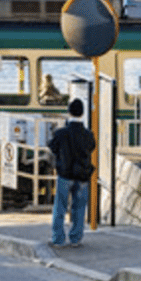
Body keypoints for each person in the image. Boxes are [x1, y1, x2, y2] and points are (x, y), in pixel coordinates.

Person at [48, 99, 96, 247]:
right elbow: (91, 148)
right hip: (82, 175)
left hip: (64, 175)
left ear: (69, 112)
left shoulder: (61, 133)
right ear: (82, 113)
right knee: (79, 208)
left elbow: (53, 147)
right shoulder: (88, 134)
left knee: (60, 207)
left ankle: (58, 239)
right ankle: (75, 238)